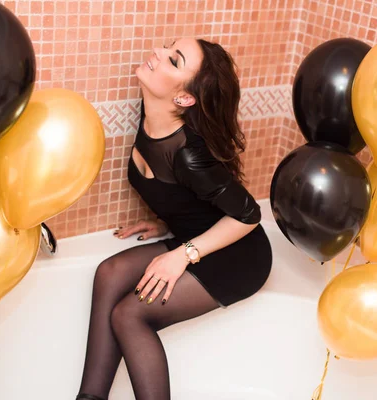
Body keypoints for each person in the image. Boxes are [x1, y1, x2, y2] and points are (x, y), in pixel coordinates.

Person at [76, 38, 273, 400]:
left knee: (129, 315)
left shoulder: (189, 155)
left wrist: (182, 254)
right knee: (108, 273)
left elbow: (249, 215)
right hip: (196, 235)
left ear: (183, 98)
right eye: (168, 48)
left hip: (238, 257)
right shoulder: (151, 112)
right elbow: (194, 198)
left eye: (174, 60)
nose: (159, 53)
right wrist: (170, 221)